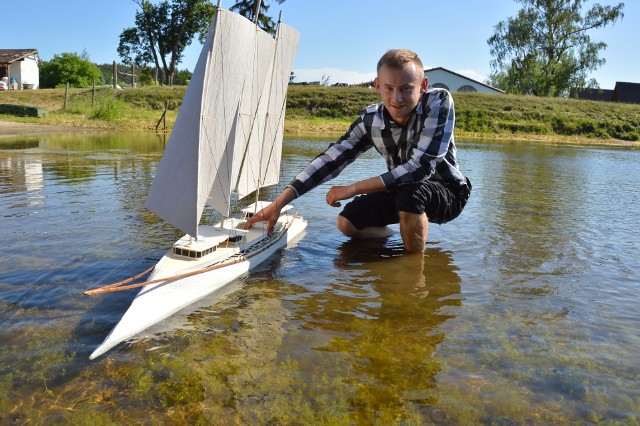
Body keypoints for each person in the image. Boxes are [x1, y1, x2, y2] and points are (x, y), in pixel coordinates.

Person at [246, 48, 471, 253]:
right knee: (347, 222)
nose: (397, 98)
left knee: (411, 191)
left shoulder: (439, 101)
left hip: (448, 191)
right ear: (377, 86)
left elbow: (419, 169)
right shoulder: (370, 120)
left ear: (422, 86)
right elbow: (330, 160)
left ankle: (413, 271)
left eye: (406, 89)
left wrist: (353, 188)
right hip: (401, 190)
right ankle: (400, 236)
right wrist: (278, 204)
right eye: (389, 88)